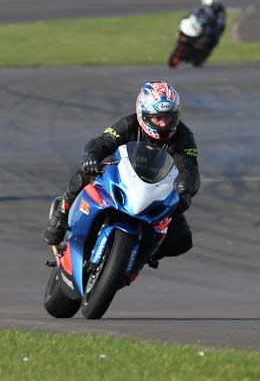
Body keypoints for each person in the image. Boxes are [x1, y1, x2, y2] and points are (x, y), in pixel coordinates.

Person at [43, 81, 200, 266]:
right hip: (120, 176)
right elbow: (102, 142)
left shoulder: (184, 136)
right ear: (144, 114)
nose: (164, 124)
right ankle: (62, 215)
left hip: (155, 190)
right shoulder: (130, 124)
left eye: (169, 117)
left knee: (182, 240)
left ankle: (140, 256)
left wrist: (185, 192)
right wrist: (92, 157)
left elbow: (189, 170)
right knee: (84, 173)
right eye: (158, 118)